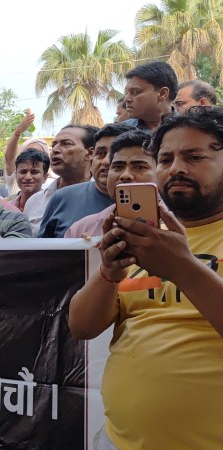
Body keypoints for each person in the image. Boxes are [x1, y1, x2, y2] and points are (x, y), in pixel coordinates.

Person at [68, 105, 223, 449]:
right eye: (165, 159)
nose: (176, 168)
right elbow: (81, 327)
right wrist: (109, 273)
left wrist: (183, 268)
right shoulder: (144, 238)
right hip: (119, 440)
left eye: (194, 157)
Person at [38, 123, 133, 238]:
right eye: (101, 153)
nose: (106, 161)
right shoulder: (62, 198)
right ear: (92, 154)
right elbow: (43, 248)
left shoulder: (152, 202)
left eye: (117, 155)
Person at [65, 129, 155, 238]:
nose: (125, 175)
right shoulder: (80, 229)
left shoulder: (173, 226)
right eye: (117, 167)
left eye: (139, 167)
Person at [24, 124, 99, 235]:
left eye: (66, 144)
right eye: (54, 145)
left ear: (90, 153)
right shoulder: (34, 201)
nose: (55, 150)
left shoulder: (106, 198)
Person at [3, 111, 51, 196]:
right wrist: (17, 133)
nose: (28, 177)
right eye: (29, 151)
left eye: (34, 172)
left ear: (45, 176)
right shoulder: (16, 175)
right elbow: (9, 159)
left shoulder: (53, 184)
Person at [122, 61, 178, 131]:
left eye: (135, 92)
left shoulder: (188, 130)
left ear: (162, 94)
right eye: (127, 93)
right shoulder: (120, 132)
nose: (126, 99)